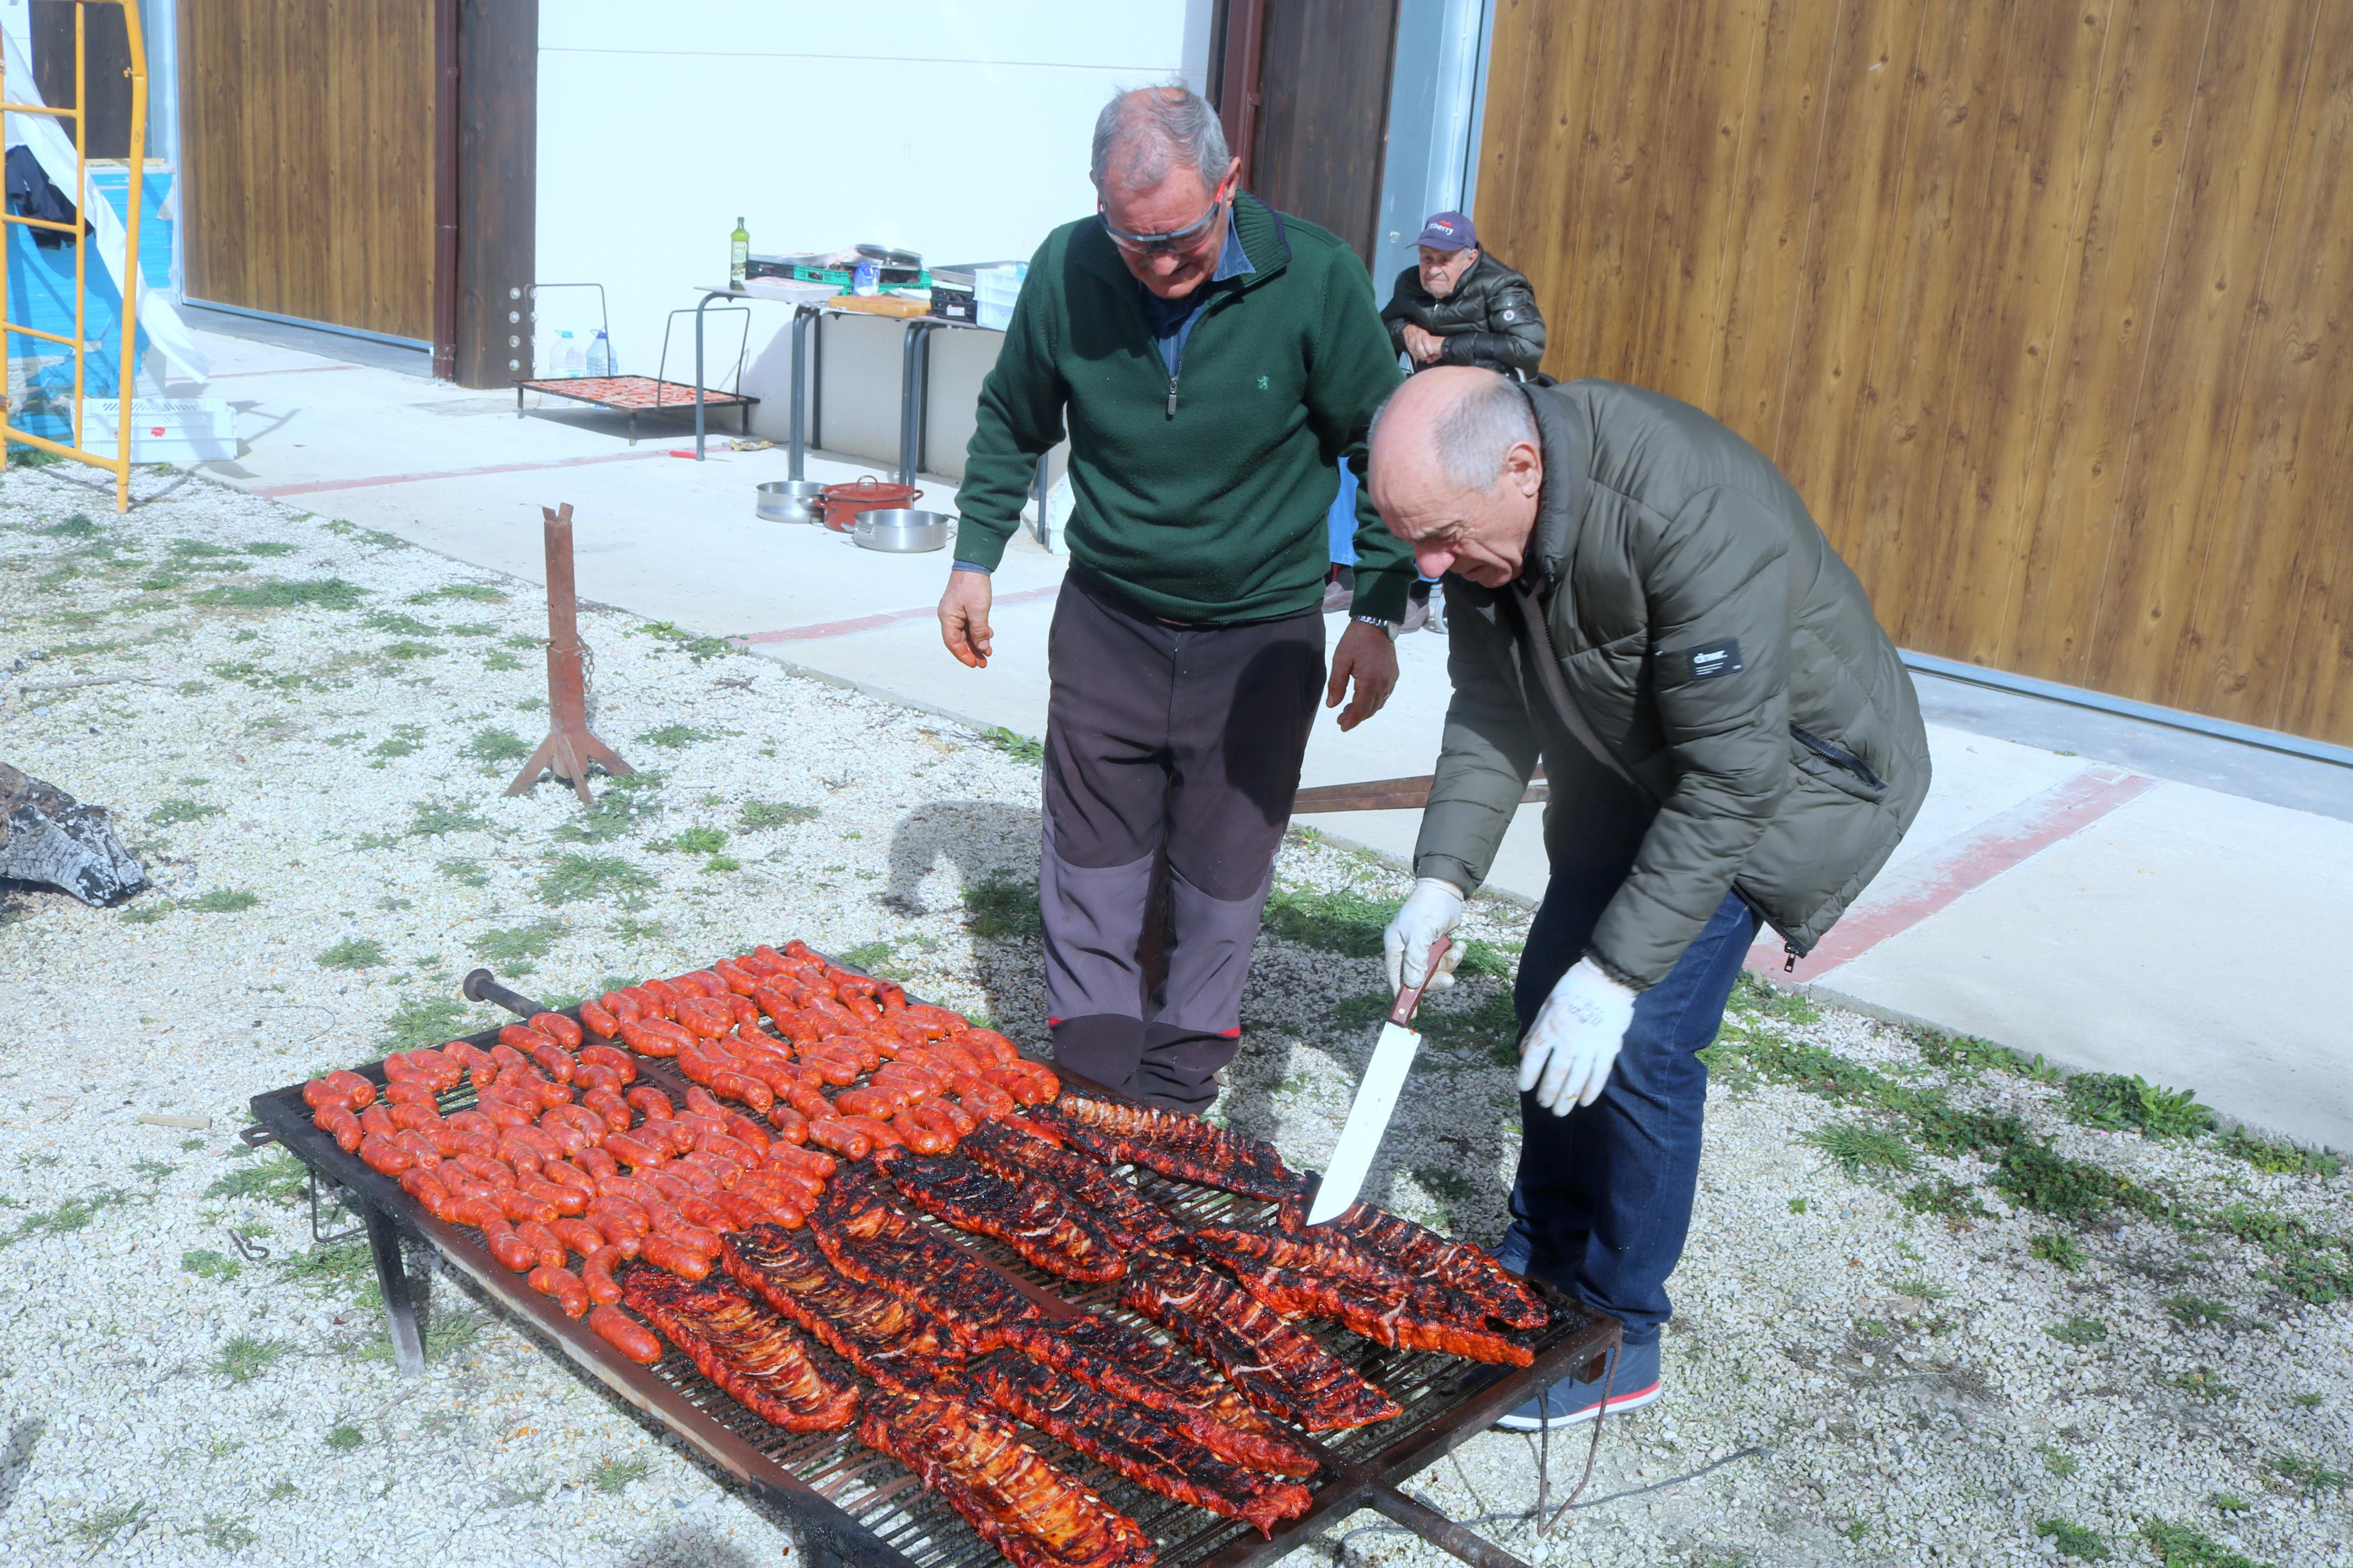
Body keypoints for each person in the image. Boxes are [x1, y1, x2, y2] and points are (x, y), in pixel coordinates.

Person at [1367, 368, 1931, 1428]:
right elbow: (1492, 708)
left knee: (1637, 1038)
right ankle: (1539, 1259)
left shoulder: (1688, 515)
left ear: (1520, 469)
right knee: (1546, 987)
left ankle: (1618, 1335)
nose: (1427, 564)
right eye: (1410, 538)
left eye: (1439, 534)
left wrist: (1619, 975)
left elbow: (1731, 782)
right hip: (1639, 762)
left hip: (1784, 776)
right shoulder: (1478, 522)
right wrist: (1440, 879)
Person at [937, 84, 1414, 1111]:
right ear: (1098, 205)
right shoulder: (1069, 265)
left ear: (1229, 182)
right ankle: (1093, 1074)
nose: (1158, 266)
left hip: (1259, 633)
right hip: (1108, 616)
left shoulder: (1315, 277)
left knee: (1221, 869)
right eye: (1132, 241)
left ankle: (1178, 1085)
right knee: (1092, 860)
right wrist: (972, 557)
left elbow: (1386, 447)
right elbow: (1011, 418)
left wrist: (1375, 612)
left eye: (1182, 238)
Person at [1379, 212, 1546, 379]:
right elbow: (1380, 326)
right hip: (1430, 388)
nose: (1433, 270)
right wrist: (1405, 331)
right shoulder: (1410, 283)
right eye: (1427, 258)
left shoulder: (1501, 285)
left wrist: (1445, 346)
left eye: (1444, 260)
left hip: (1492, 392)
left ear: (1470, 259)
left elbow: (1527, 347)